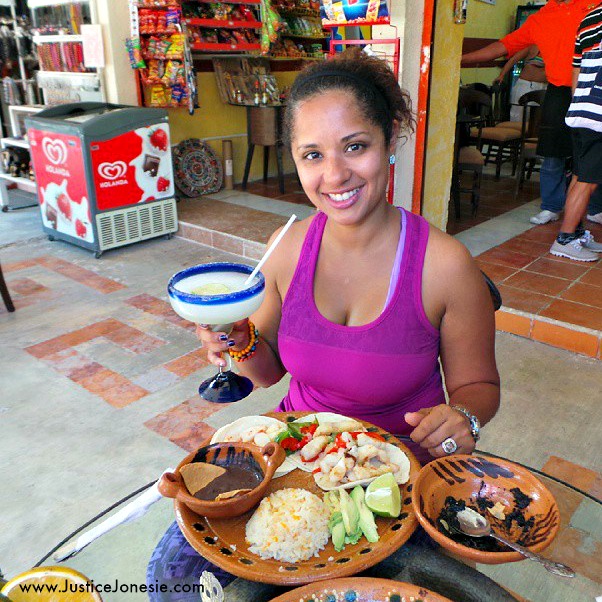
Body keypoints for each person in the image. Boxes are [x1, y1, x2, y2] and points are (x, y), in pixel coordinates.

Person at [147, 49, 501, 598]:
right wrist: (240, 342)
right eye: (312, 154)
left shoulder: (446, 266)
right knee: (173, 579)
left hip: (399, 471)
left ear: (390, 143)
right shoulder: (286, 248)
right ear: (294, 155)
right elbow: (266, 374)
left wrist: (464, 419)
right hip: (298, 452)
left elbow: (480, 387)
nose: (334, 175)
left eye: (355, 147)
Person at [461, 0, 602, 231]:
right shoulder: (541, 17)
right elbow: (504, 46)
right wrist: (462, 59)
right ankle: (551, 205)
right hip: (558, 90)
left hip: (592, 90)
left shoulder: (593, 4)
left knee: (594, 152)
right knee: (552, 152)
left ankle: (596, 208)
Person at [551, 4, 602, 261]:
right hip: (599, 114)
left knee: (581, 175)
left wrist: (578, 104)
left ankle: (576, 233)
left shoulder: (590, 17)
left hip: (583, 109)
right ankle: (565, 239)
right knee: (588, 181)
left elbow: (576, 67)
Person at [494, 45, 547, 123]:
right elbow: (513, 60)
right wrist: (501, 75)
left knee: (538, 121)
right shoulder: (535, 46)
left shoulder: (561, 49)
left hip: (545, 87)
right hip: (526, 86)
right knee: (518, 118)